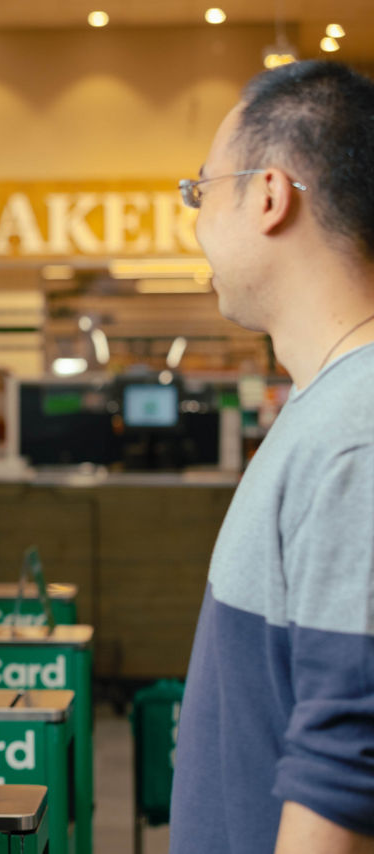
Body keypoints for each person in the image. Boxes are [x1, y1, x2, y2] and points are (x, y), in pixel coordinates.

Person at [170, 61, 374, 853]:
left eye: (200, 191)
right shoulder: (324, 409)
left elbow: (346, 770)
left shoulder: (355, 434)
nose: (194, 221)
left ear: (268, 194)